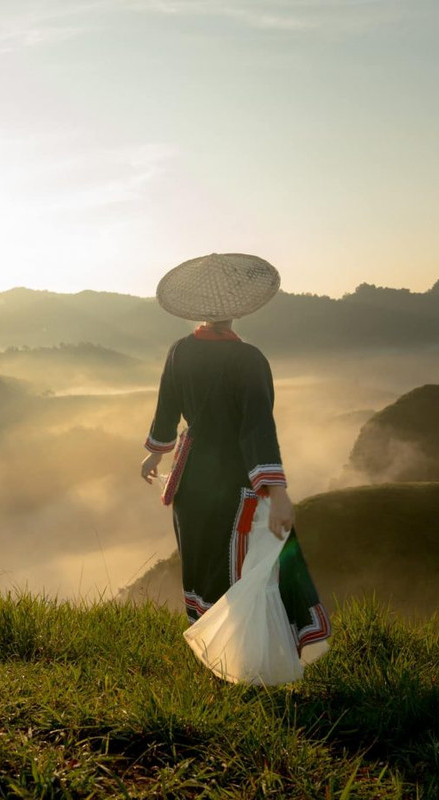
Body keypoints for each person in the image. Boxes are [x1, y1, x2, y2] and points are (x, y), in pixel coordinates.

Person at [139, 253, 330, 662]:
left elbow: (166, 412)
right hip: (233, 481)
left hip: (189, 481)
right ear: (239, 308)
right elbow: (257, 429)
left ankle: (215, 655)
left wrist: (155, 456)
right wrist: (277, 494)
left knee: (203, 564)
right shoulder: (249, 360)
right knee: (242, 567)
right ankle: (248, 659)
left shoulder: (179, 352)